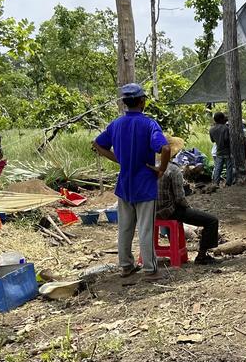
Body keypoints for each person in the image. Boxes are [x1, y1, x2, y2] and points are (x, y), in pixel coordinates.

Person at [93, 83, 170, 280]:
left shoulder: (116, 124)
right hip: (144, 183)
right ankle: (150, 269)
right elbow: (166, 149)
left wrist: (118, 159)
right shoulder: (149, 124)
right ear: (142, 101)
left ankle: (126, 266)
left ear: (125, 102)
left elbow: (98, 144)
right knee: (145, 228)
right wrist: (161, 170)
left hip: (124, 183)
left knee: (125, 228)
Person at [157, 137, 220, 265]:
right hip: (169, 211)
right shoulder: (173, 170)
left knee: (175, 216)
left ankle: (174, 247)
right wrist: (188, 207)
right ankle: (202, 255)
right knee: (212, 221)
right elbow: (180, 198)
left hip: (152, 211)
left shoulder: (152, 166)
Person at [209, 111, 235, 187]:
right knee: (229, 168)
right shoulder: (226, 128)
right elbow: (227, 139)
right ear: (221, 119)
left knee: (217, 168)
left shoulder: (211, 129)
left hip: (218, 152)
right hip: (227, 151)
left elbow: (213, 140)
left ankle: (215, 183)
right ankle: (228, 183)